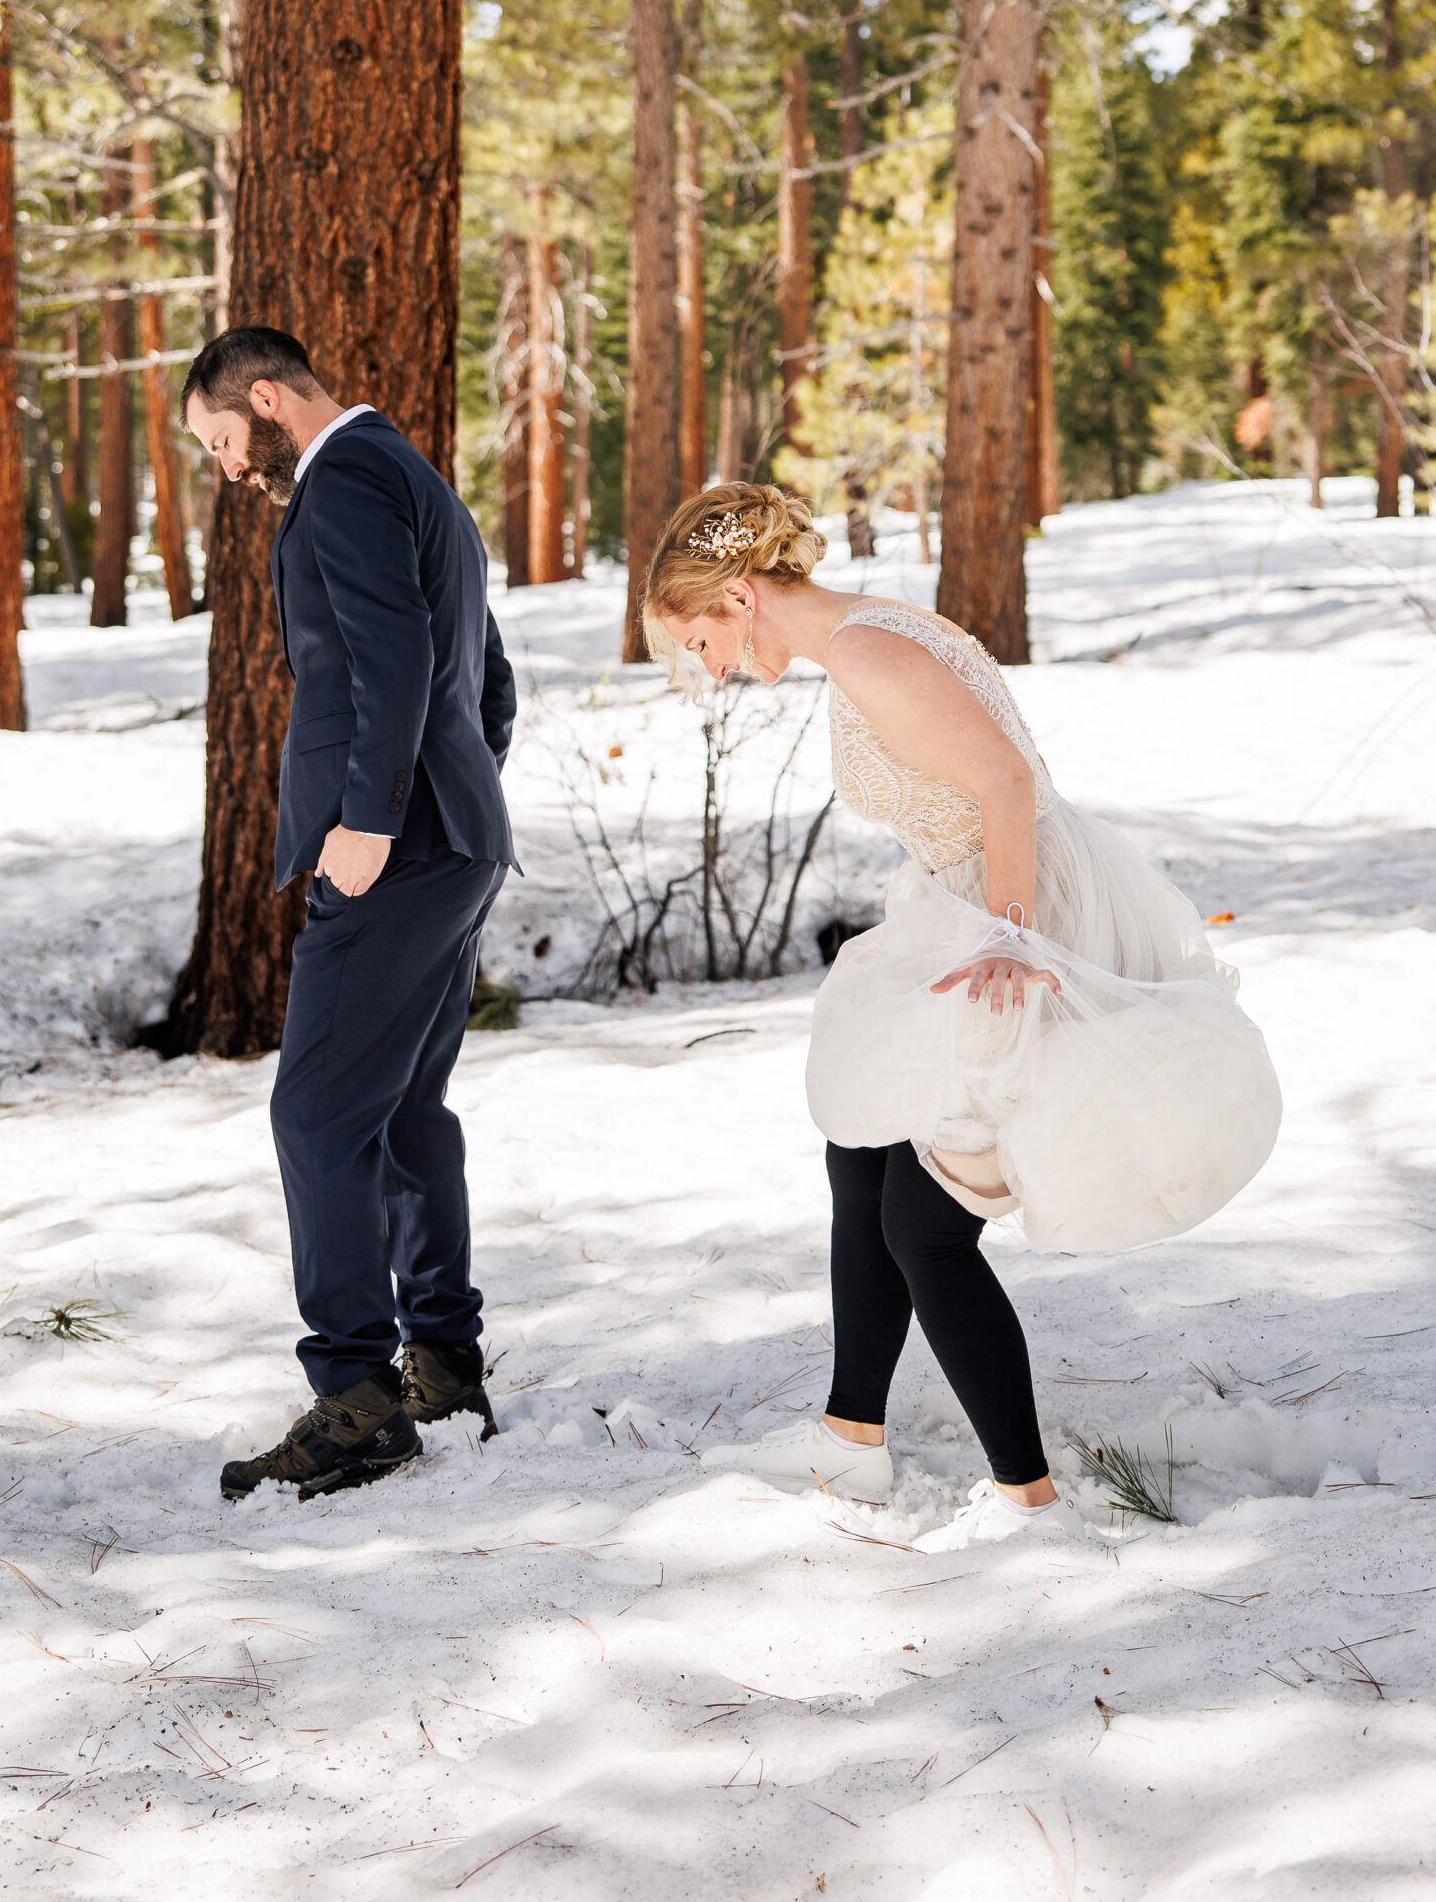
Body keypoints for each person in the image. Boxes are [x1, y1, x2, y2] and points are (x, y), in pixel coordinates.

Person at [646, 484, 1280, 1543]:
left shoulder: (865, 650)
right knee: (862, 1147)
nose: (708, 666)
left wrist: (1013, 932)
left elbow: (1005, 782)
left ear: (743, 595)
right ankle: (851, 1435)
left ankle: (1029, 1499)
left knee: (924, 1227)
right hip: (974, 901)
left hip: (1019, 914)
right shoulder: (866, 630)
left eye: (701, 638)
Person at [181, 327, 519, 1503]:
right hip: (454, 839)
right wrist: (463, 790)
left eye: (225, 439)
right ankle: (442, 1357)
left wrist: (374, 820)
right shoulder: (413, 474)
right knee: (402, 1110)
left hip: (396, 847)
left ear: (266, 400)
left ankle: (358, 1399)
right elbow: (487, 672)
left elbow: (397, 651)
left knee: (317, 1111)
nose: (228, 467)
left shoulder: (346, 480)